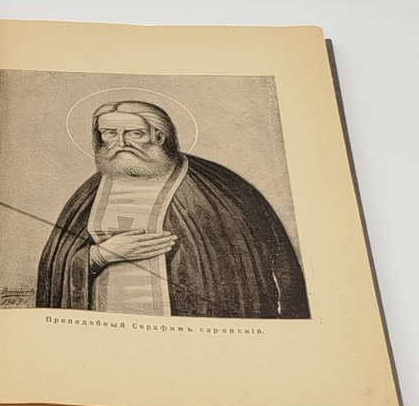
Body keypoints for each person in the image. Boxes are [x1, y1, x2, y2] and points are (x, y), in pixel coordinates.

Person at [36, 101, 309, 318]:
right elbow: (57, 262)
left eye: (134, 134)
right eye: (109, 133)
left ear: (159, 135)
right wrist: (101, 255)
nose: (120, 143)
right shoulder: (89, 193)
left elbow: (266, 256)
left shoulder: (216, 186)